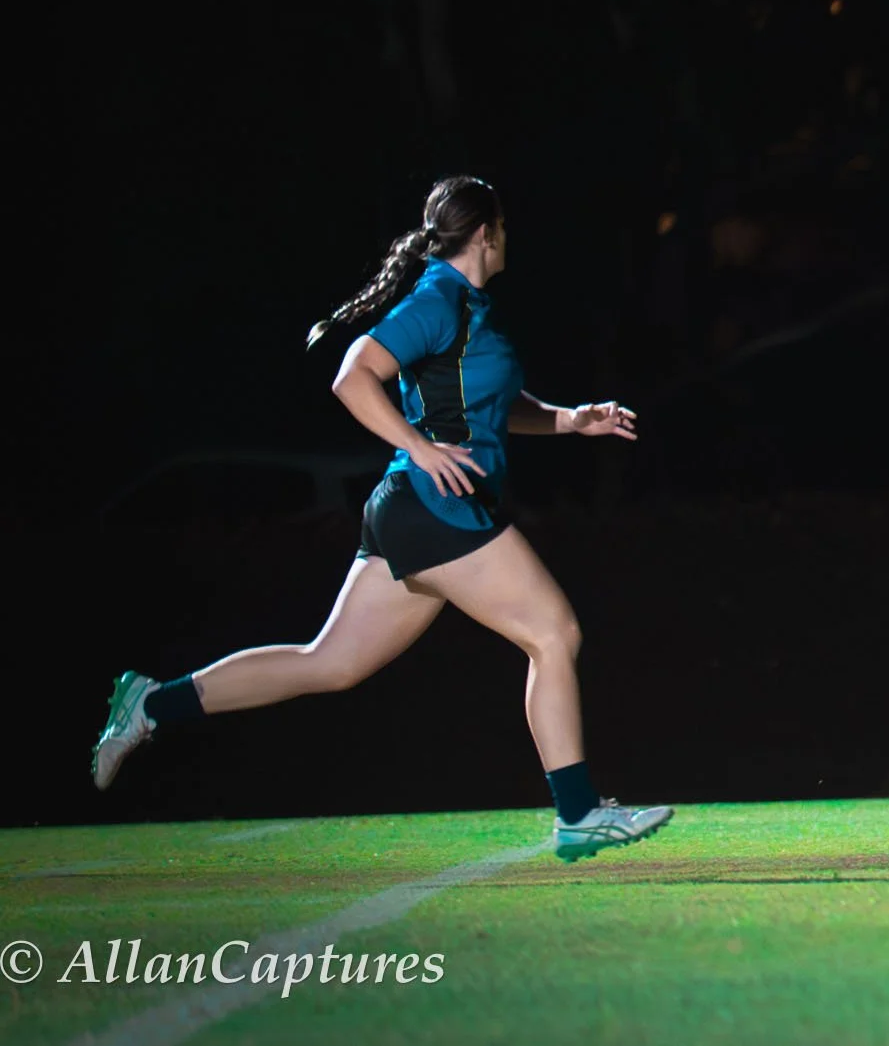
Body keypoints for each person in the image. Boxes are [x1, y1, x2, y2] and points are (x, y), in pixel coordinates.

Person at [91, 176, 671, 862]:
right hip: (436, 507)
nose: (509, 235)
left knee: (329, 663)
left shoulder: (468, 306)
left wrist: (572, 420)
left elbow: (489, 406)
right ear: (486, 232)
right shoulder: (438, 298)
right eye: (504, 225)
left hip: (416, 511)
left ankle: (152, 705)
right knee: (553, 632)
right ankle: (578, 814)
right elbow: (351, 374)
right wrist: (420, 447)